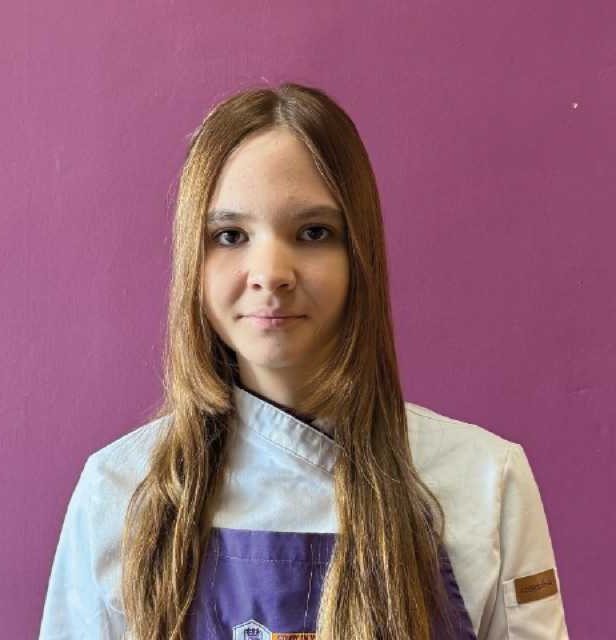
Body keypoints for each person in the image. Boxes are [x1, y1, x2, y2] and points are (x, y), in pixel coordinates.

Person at [38, 83, 570, 640]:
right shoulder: (120, 490)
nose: (271, 274)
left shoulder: (486, 481)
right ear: (193, 258)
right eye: (230, 235)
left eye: (313, 233)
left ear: (359, 254)